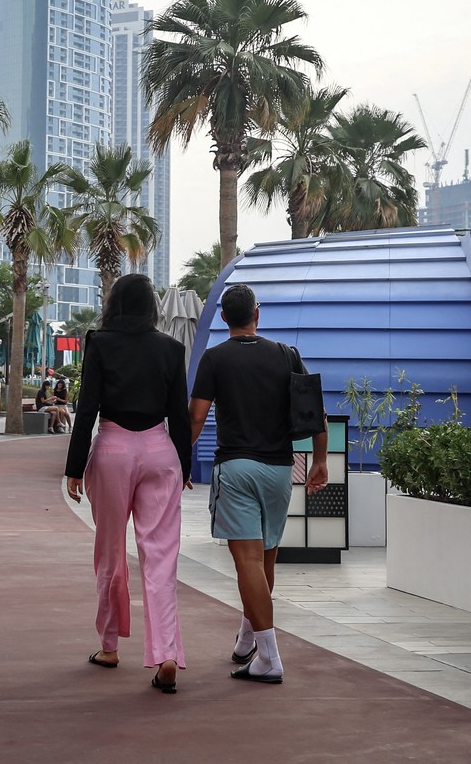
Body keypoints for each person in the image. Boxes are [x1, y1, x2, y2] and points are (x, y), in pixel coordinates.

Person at [188, 282, 326, 685]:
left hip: (236, 468)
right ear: (257, 314)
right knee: (265, 559)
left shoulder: (214, 359)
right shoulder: (287, 355)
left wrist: (179, 458)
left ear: (225, 318)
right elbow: (311, 411)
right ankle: (247, 641)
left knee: (246, 562)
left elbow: (196, 418)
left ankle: (269, 657)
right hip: (279, 470)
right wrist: (319, 461)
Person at [64, 273, 191, 694]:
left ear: (114, 304)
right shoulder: (172, 349)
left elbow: (87, 408)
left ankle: (110, 645)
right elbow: (180, 414)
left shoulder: (99, 343)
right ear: (153, 307)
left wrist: (74, 466)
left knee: (110, 550)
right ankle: (167, 653)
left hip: (114, 449)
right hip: (160, 450)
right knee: (160, 557)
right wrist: (185, 468)